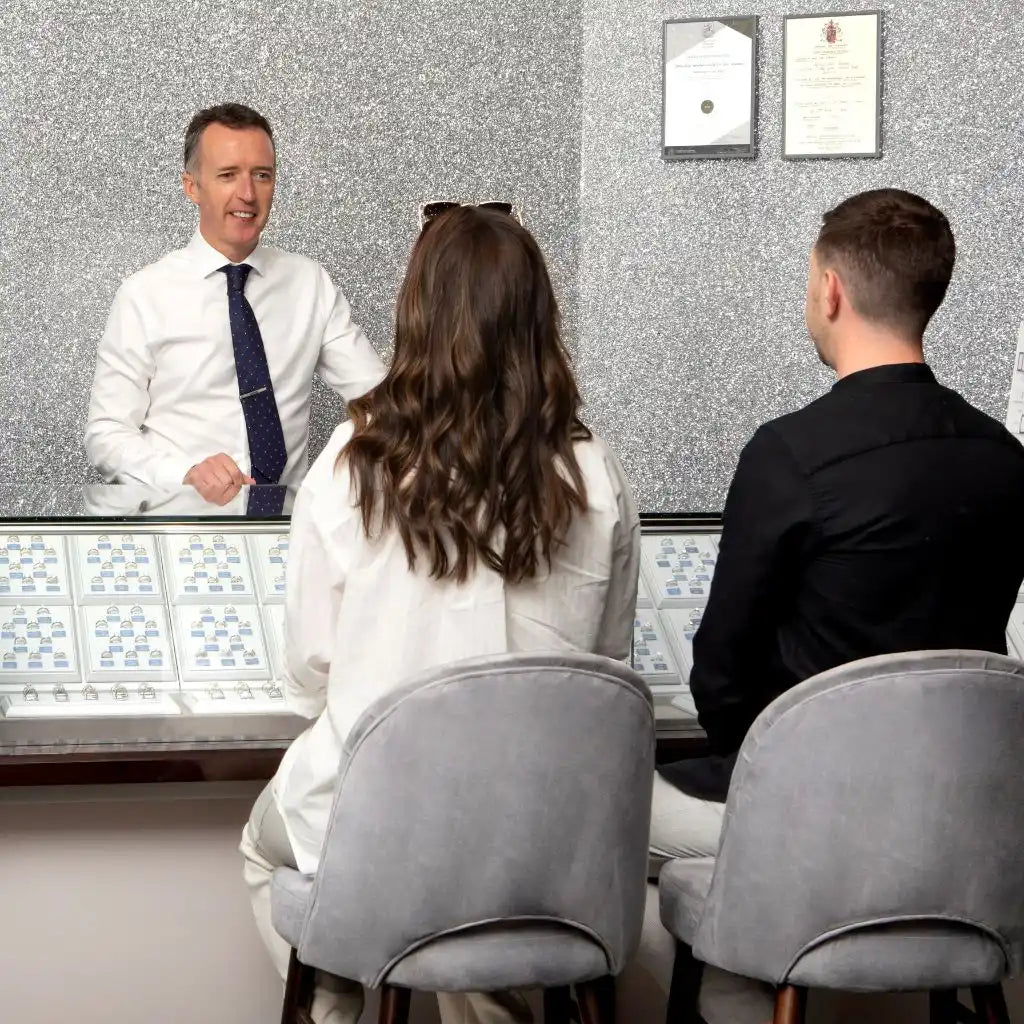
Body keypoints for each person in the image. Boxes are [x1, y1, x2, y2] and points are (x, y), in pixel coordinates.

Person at [239, 205, 641, 1024]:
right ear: (539, 320)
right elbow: (606, 667)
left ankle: (339, 1007)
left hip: (386, 837)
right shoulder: (596, 476)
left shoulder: (353, 468)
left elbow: (309, 672)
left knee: (270, 848)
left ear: (416, 313)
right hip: (547, 846)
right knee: (485, 878)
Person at [651, 188, 1024, 1021]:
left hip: (812, 816)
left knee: (601, 796)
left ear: (830, 290)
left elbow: (723, 674)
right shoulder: (1006, 459)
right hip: (968, 826)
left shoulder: (789, 455)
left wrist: (765, 774)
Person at [84, 103, 384, 510]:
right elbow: (106, 435)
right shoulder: (145, 294)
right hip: (180, 534)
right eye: (228, 175)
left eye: (262, 175)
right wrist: (184, 472)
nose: (247, 193)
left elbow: (382, 401)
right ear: (192, 187)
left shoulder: (310, 284)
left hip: (288, 540)